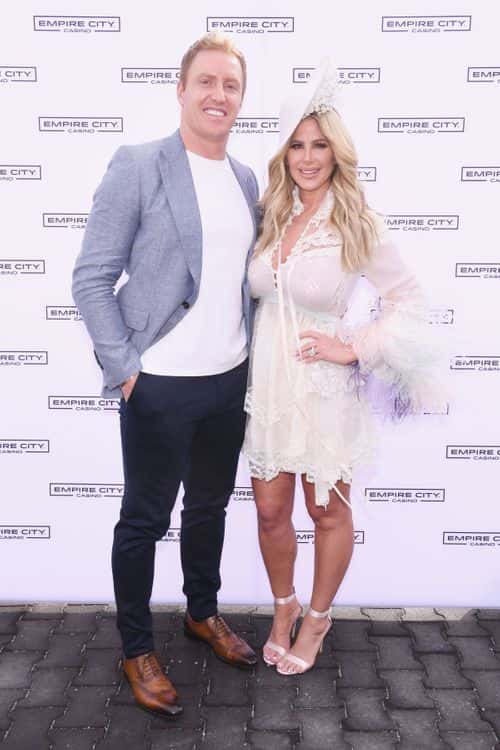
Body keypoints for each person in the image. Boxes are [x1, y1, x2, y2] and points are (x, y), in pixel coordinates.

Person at [72, 32, 259, 717]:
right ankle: (136, 648)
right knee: (144, 521)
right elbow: (92, 277)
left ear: (242, 99)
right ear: (181, 90)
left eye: (231, 85)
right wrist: (126, 370)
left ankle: (202, 614)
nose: (218, 95)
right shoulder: (140, 163)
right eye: (206, 81)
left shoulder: (245, 180)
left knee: (208, 508)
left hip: (227, 379)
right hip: (158, 383)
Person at [242, 61, 436, 675]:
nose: (307, 157)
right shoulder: (270, 213)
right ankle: (284, 606)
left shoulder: (358, 222)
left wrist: (352, 347)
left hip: (326, 392)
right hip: (267, 385)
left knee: (327, 510)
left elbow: (410, 301)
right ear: (284, 154)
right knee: (270, 509)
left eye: (319, 144)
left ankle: (318, 620)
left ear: (337, 151)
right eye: (296, 145)